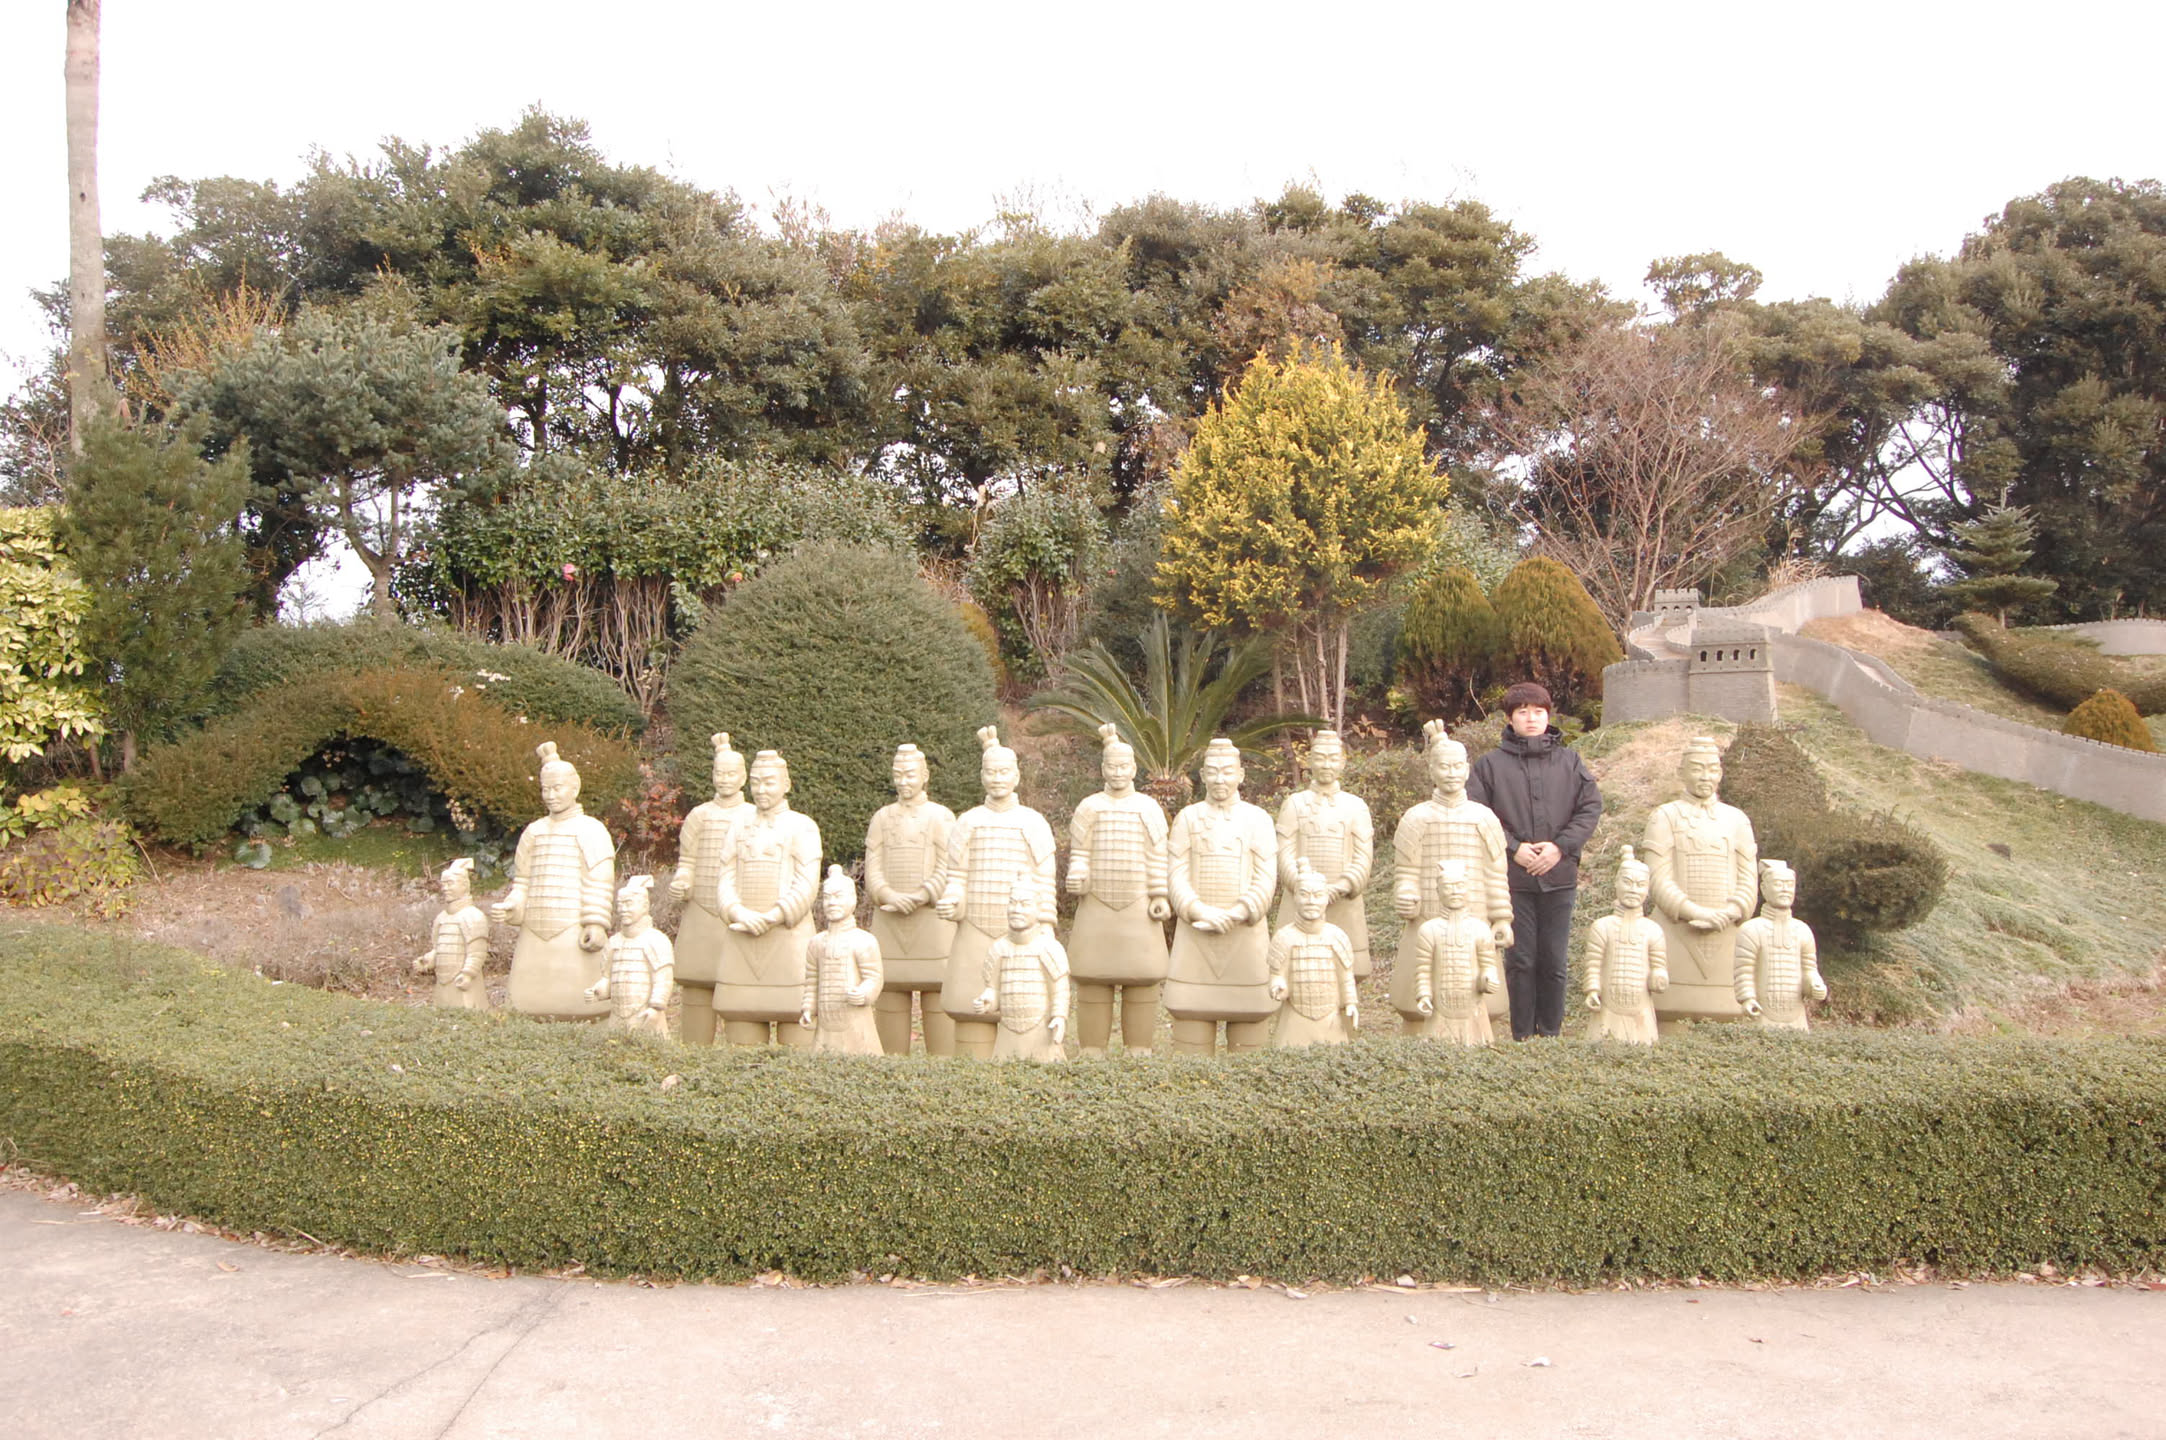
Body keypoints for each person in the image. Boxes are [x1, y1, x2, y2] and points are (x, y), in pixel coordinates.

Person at [1466, 683, 1603, 1040]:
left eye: (1538, 711)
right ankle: (1522, 1036)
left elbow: (1589, 808)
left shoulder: (1570, 762)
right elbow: (1478, 814)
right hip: (1513, 880)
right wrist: (1514, 848)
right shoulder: (1489, 766)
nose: (1531, 718)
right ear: (1510, 718)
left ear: (1548, 715)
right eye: (1523, 711)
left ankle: (1551, 1034)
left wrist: (1559, 847)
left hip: (1560, 877)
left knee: (1554, 960)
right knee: (1521, 960)